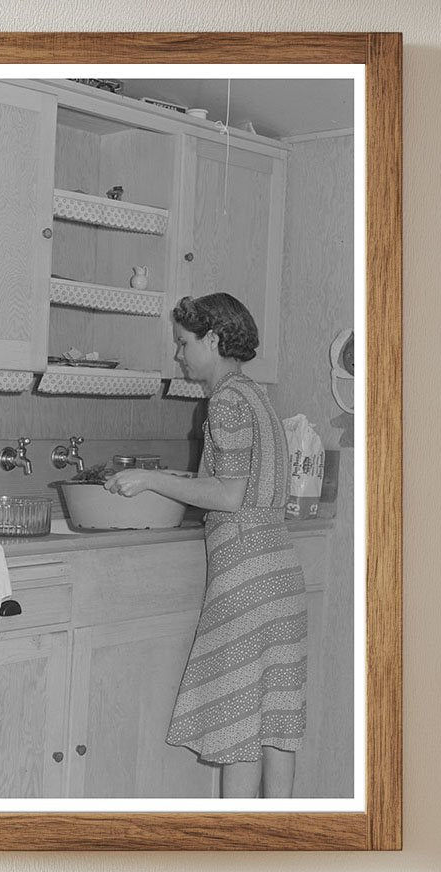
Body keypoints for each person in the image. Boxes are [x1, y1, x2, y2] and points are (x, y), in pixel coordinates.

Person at [105, 293, 307, 798]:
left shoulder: (224, 401)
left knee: (238, 723)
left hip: (245, 574)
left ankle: (235, 856)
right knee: (275, 722)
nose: (177, 354)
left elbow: (228, 494)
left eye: (183, 343)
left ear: (212, 340)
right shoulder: (257, 397)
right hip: (280, 571)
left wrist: (149, 482)